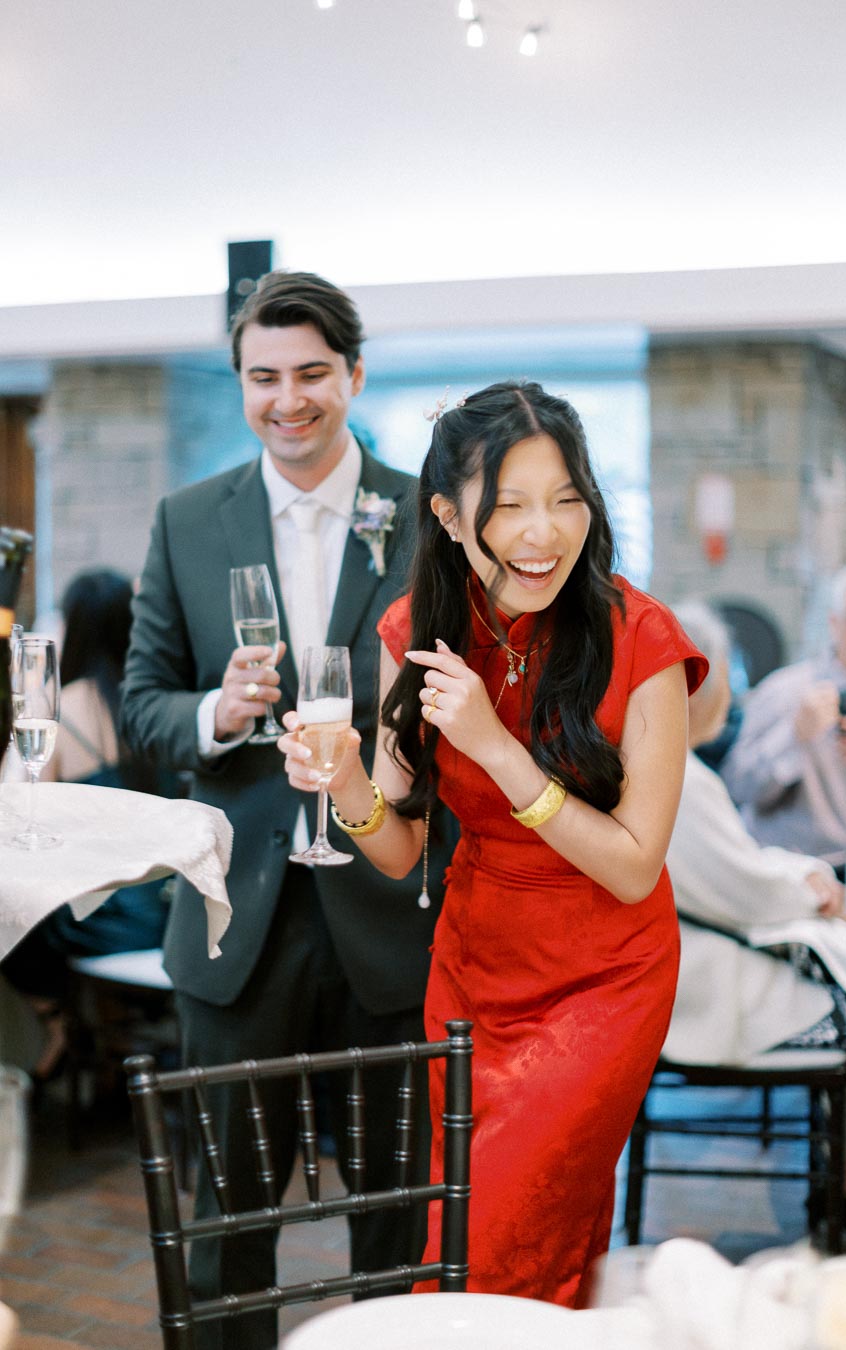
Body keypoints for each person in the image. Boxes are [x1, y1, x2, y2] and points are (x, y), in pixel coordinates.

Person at [280, 380, 707, 1305]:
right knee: (500, 1225)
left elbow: (636, 867)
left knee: (497, 1240)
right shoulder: (419, 633)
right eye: (510, 505)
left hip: (607, 978)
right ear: (447, 513)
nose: (543, 533)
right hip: (473, 971)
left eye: (565, 500)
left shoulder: (643, 641)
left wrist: (500, 753)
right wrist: (348, 783)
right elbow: (400, 851)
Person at [120, 271, 452, 1350]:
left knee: (397, 1223)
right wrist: (215, 713)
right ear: (241, 386)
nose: (288, 399)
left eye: (312, 373)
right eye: (264, 378)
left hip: (388, 914)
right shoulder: (186, 521)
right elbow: (142, 705)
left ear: (354, 374)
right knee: (228, 1227)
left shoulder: (428, 518)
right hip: (236, 922)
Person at [666, 600, 846, 1251]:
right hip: (716, 974)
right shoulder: (689, 767)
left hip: (740, 929)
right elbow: (744, 882)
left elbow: (734, 867)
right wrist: (812, 889)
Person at [2, 569, 172, 1077]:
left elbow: (11, 803)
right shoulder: (149, 708)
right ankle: (109, 1034)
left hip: (105, 919)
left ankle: (54, 1020)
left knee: (16, 914)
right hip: (164, 914)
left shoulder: (57, 708)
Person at [721, 556, 846, 875]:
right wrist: (794, 736)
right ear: (834, 623)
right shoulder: (784, 692)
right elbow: (736, 789)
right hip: (800, 876)